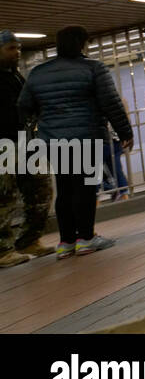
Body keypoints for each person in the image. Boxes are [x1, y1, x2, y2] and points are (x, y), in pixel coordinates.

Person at [17, 26, 131, 259]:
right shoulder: (93, 68)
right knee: (85, 189)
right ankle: (86, 239)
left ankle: (65, 242)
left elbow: (24, 105)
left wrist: (47, 117)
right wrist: (125, 131)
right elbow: (111, 103)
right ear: (82, 44)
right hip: (85, 137)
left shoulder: (39, 72)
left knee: (65, 189)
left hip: (53, 140)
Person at [0, 31, 55, 266]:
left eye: (19, 48)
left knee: (41, 188)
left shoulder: (16, 76)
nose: (17, 52)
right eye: (11, 48)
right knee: (5, 197)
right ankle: (3, 250)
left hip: (25, 142)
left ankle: (29, 239)